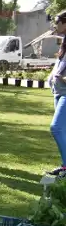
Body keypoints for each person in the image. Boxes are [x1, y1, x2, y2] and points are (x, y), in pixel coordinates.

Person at [48, 11, 66, 176]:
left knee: (56, 128)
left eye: (57, 22)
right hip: (58, 91)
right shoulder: (64, 43)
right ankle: (64, 165)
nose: (55, 25)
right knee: (64, 130)